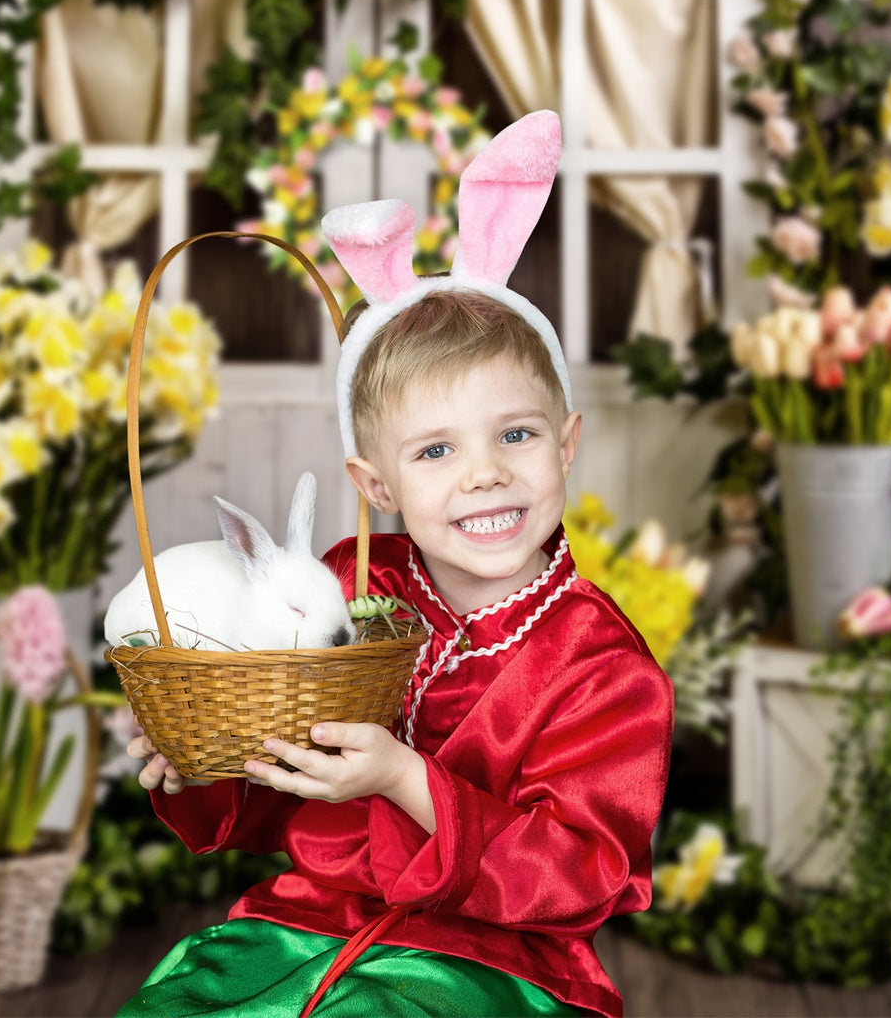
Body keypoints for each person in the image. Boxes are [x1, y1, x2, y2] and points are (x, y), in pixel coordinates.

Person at [120, 111, 674, 1018]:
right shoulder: (348, 588)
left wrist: (403, 779)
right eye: (434, 452)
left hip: (496, 963)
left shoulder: (601, 667)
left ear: (567, 444)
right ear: (374, 483)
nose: (485, 472)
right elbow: (281, 788)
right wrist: (206, 765)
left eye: (517, 433)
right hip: (302, 925)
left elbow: (582, 873)